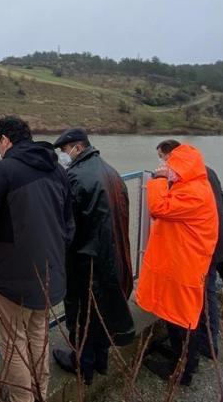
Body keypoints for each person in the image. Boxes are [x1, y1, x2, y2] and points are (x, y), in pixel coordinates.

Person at [0, 116, 74, 402]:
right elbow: (68, 225)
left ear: (5, 140)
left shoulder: (2, 171)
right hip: (50, 273)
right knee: (38, 334)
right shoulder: (57, 169)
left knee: (14, 343)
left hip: (14, 280)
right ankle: (40, 391)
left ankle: (21, 399)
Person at [51, 128, 135, 385]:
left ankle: (82, 366)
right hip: (114, 255)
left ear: (76, 148)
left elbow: (68, 225)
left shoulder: (75, 177)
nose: (63, 157)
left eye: (64, 151)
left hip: (87, 259)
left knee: (84, 312)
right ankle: (101, 361)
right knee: (106, 309)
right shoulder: (111, 172)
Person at [136, 142, 218, 386]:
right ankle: (180, 360)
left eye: (170, 166)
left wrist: (159, 179)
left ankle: (182, 371)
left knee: (182, 320)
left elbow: (159, 207)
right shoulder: (193, 186)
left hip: (185, 266)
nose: (167, 169)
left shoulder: (194, 192)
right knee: (178, 316)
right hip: (182, 263)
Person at [156, 139, 223, 358]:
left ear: (171, 155)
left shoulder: (182, 177)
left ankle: (204, 346)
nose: (163, 163)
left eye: (163, 157)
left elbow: (164, 208)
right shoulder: (205, 171)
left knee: (202, 293)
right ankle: (206, 344)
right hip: (216, 239)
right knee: (206, 291)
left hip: (203, 245)